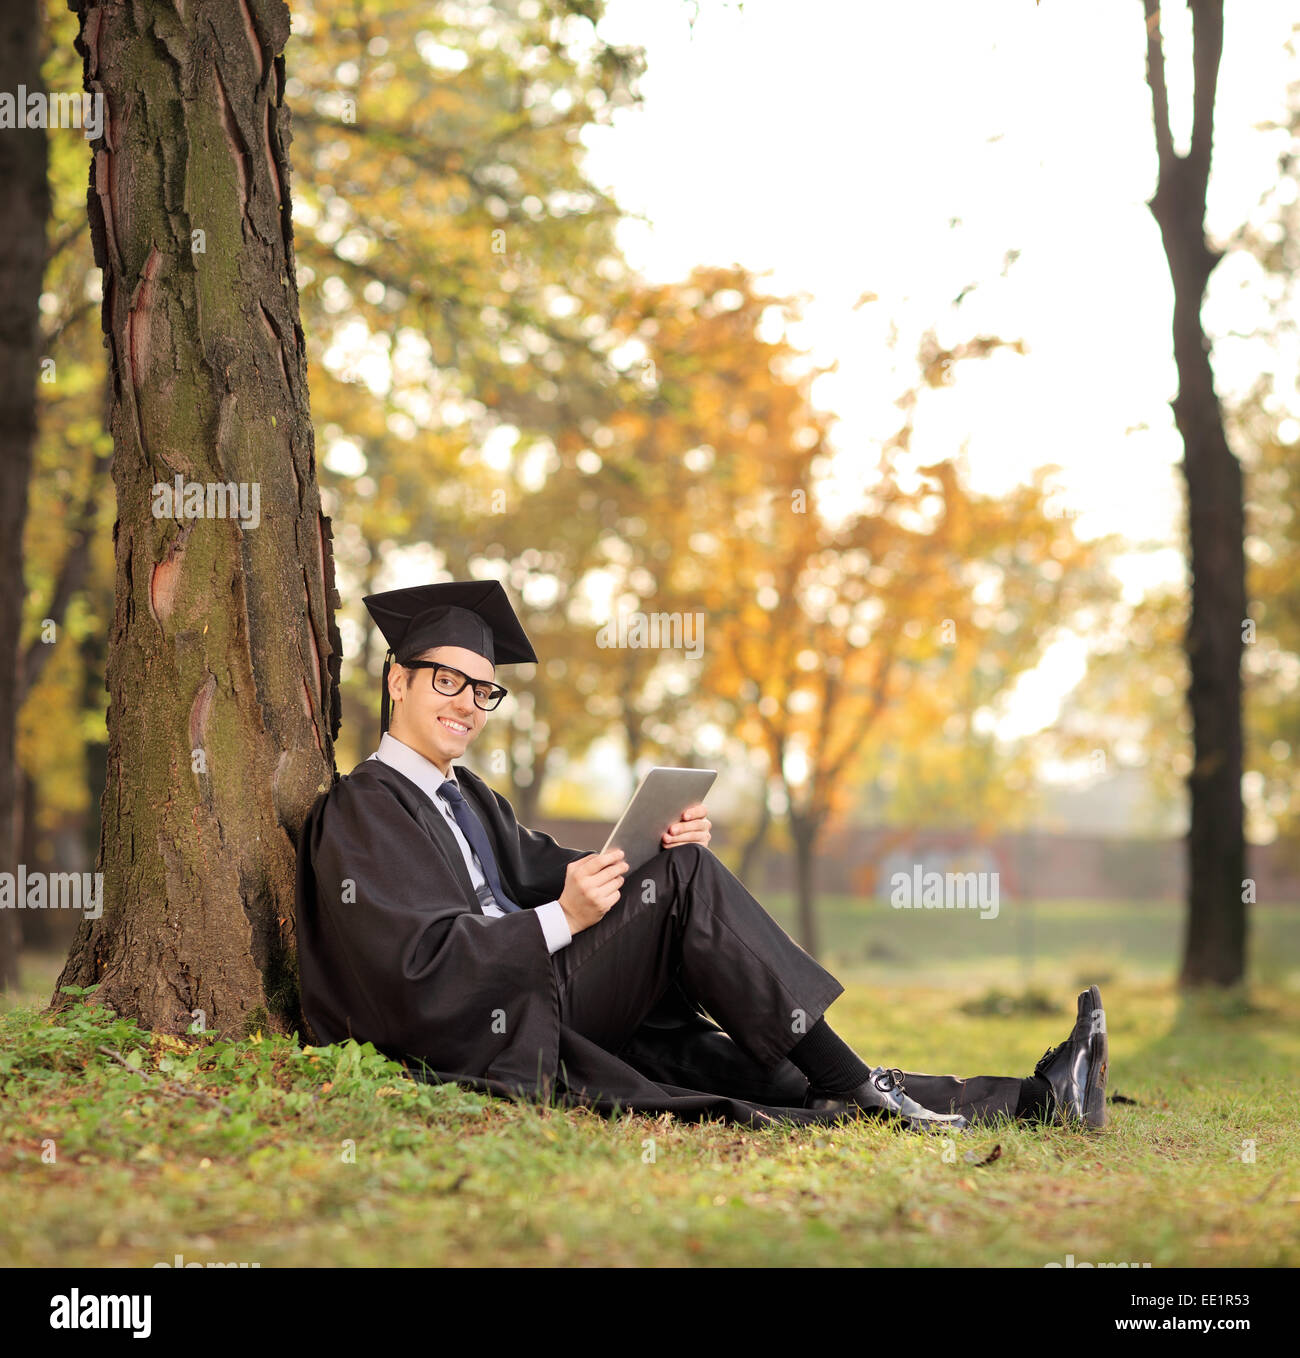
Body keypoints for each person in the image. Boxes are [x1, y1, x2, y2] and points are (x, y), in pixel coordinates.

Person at [294, 579, 1110, 1133]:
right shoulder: (366, 807)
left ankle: (1040, 1099)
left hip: (551, 999)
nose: (468, 705)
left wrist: (650, 849)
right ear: (397, 680)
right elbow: (412, 967)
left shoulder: (468, 797)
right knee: (687, 890)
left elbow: (553, 864)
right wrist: (561, 919)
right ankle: (851, 1082)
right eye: (447, 682)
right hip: (488, 1025)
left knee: (766, 1068)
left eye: (483, 690)